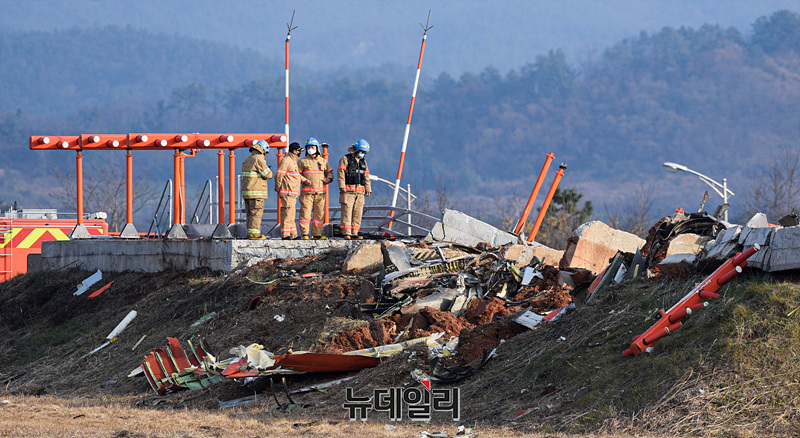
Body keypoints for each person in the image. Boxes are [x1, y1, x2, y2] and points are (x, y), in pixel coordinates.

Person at [297, 137, 334, 240]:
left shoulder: (323, 161)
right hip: (307, 194)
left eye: (312, 147)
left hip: (320, 193)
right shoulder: (302, 162)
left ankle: (317, 234)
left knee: (319, 214)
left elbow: (330, 172)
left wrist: (329, 179)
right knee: (305, 214)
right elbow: (297, 174)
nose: (310, 149)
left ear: (317, 148)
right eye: (308, 147)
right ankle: (305, 234)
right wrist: (304, 180)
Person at [337, 139, 371, 239]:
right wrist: (342, 186)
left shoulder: (363, 162)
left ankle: (354, 233)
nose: (363, 154)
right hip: (348, 192)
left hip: (360, 193)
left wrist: (368, 188)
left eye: (364, 152)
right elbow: (341, 173)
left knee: (357, 214)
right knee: (347, 213)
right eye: (362, 152)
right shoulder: (345, 159)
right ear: (357, 150)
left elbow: (366, 176)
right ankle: (346, 233)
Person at [275, 142, 309, 239]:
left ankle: (293, 234)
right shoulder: (286, 161)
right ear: (294, 151)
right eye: (299, 151)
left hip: (293, 194)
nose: (300, 153)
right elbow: (279, 175)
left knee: (291, 215)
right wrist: (278, 188)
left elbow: (296, 175)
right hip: (287, 193)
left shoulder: (293, 161)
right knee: (286, 214)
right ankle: (285, 235)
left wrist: (304, 180)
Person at [241, 140, 273, 240]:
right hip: (256, 192)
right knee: (256, 214)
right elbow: (268, 175)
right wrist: (269, 170)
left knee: (250, 214)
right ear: (263, 150)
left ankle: (250, 233)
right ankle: (254, 235)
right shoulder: (259, 159)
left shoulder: (247, 159)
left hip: (247, 192)